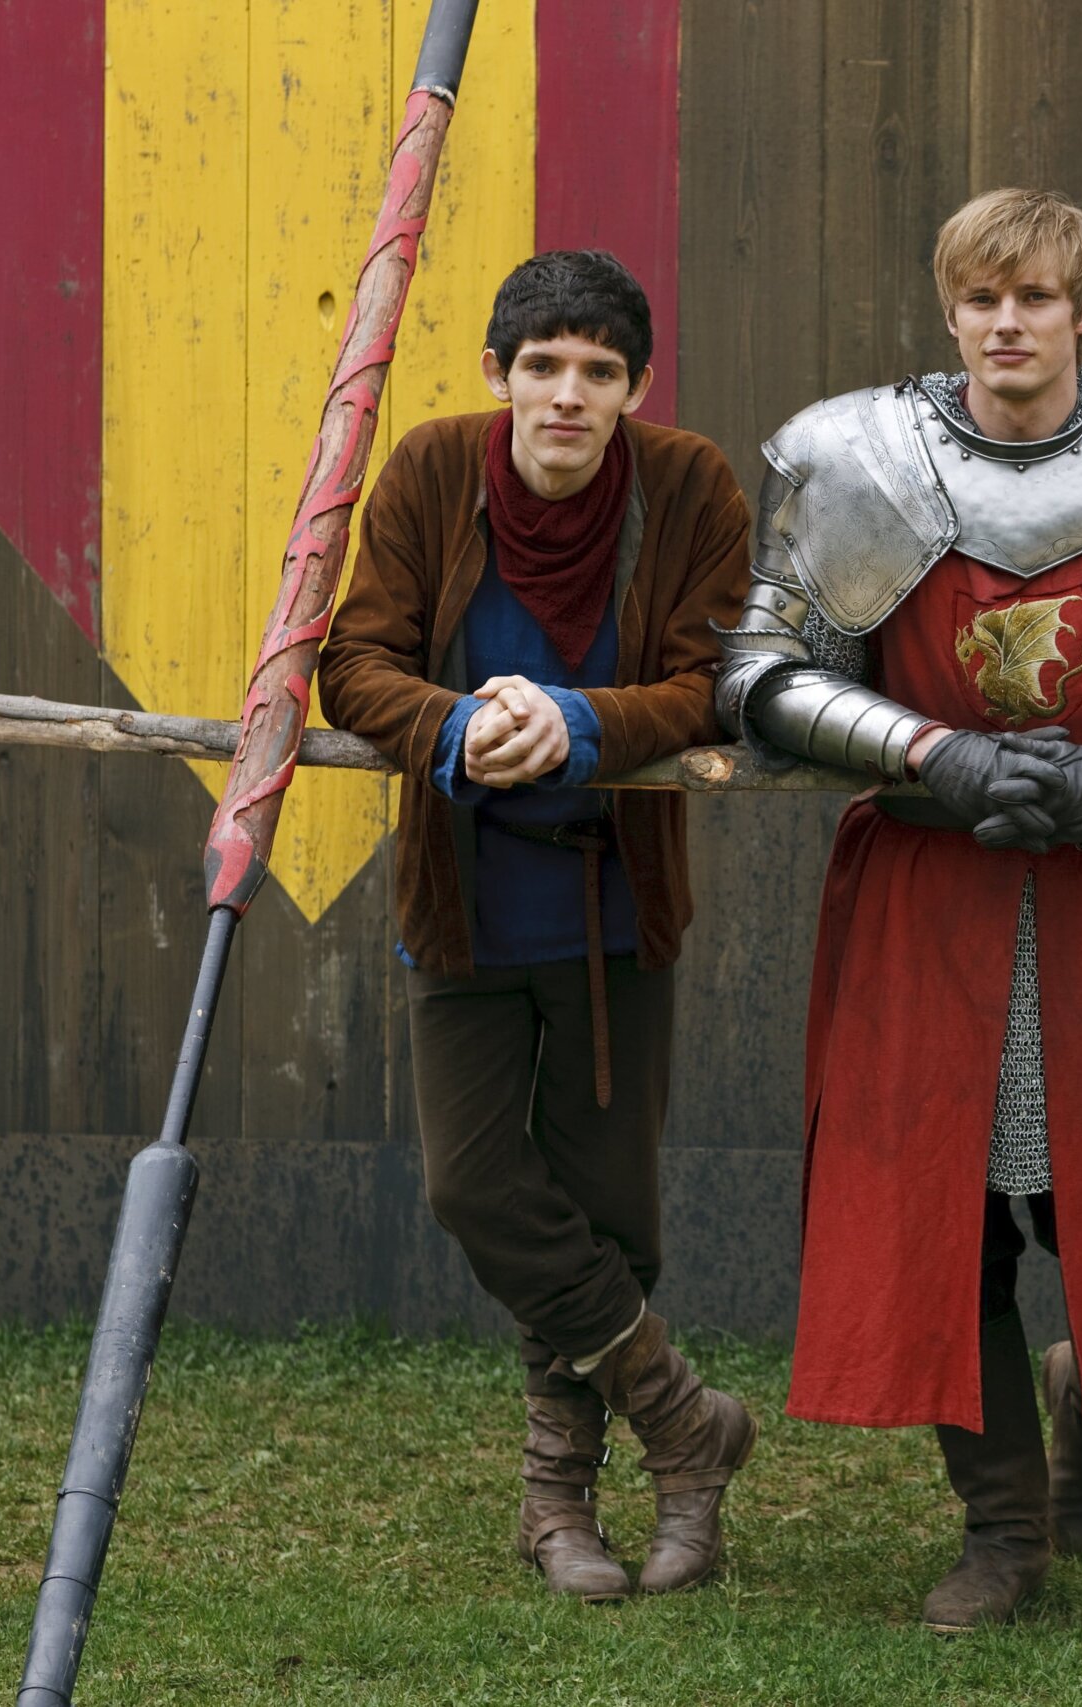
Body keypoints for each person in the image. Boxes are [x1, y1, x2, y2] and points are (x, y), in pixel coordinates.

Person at [712, 187, 1082, 1631]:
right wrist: (934, 751)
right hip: (928, 899)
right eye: (982, 298)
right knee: (951, 1225)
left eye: (1036, 297)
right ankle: (1002, 1531)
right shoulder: (857, 460)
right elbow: (761, 674)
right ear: (951, 308)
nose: (1007, 323)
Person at [320, 249, 757, 1602]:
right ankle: (685, 1420)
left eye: (599, 372)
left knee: (608, 1208)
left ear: (635, 386)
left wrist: (578, 721)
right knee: (474, 1184)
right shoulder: (431, 472)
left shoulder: (691, 486)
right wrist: (456, 725)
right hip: (466, 893)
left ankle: (561, 1501)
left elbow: (717, 680)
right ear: (498, 373)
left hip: (618, 897)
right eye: (544, 366)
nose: (569, 395)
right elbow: (355, 661)